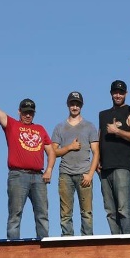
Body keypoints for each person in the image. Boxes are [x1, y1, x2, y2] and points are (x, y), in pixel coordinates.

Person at [0, 77, 55, 239]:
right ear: (19, 112)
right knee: (15, 214)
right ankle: (13, 246)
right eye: (25, 112)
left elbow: (51, 151)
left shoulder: (40, 129)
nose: (28, 115)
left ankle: (45, 245)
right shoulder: (12, 125)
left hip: (38, 176)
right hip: (18, 175)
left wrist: (48, 170)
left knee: (42, 214)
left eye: (31, 112)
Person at [51, 91, 100, 236]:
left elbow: (96, 152)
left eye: (77, 104)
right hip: (65, 174)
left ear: (81, 106)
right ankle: (67, 241)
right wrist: (69, 148)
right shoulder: (60, 127)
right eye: (72, 104)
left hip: (84, 174)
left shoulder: (89, 126)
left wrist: (90, 174)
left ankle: (87, 242)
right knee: (65, 213)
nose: (75, 107)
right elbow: (54, 152)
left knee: (87, 213)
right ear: (68, 105)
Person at [96, 79, 130, 234]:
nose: (118, 95)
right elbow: (99, 137)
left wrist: (118, 132)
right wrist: (97, 161)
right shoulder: (103, 115)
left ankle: (128, 242)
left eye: (121, 92)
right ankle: (116, 242)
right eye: (115, 92)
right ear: (111, 94)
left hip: (123, 166)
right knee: (110, 210)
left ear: (126, 94)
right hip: (105, 168)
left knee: (123, 208)